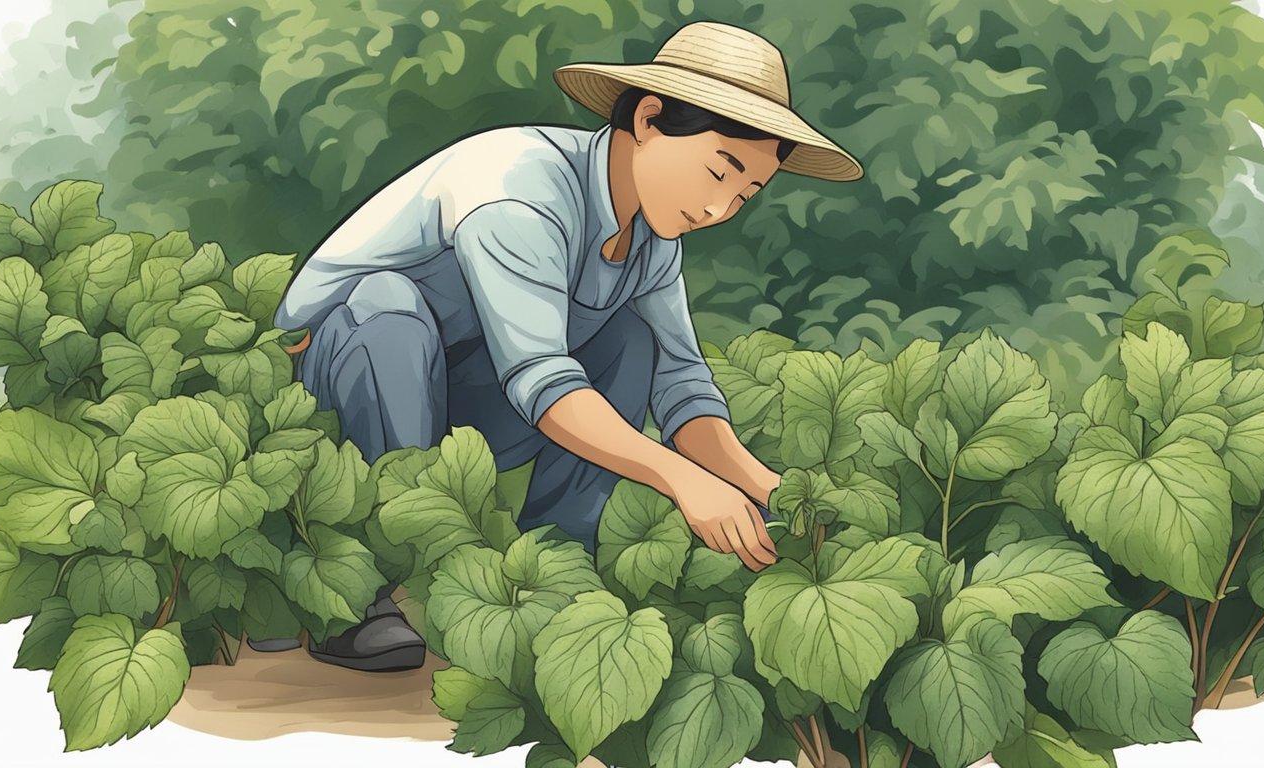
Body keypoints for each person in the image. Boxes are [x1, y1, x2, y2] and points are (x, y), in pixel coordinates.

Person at [264, 21, 863, 671]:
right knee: (389, 311)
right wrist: (683, 480)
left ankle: (553, 571)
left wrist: (769, 490)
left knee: (632, 343)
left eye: (746, 194)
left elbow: (682, 385)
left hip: (451, 395)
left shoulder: (653, 240)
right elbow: (539, 378)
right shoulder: (519, 182)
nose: (720, 207)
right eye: (719, 171)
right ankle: (354, 597)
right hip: (336, 394)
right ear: (650, 119)